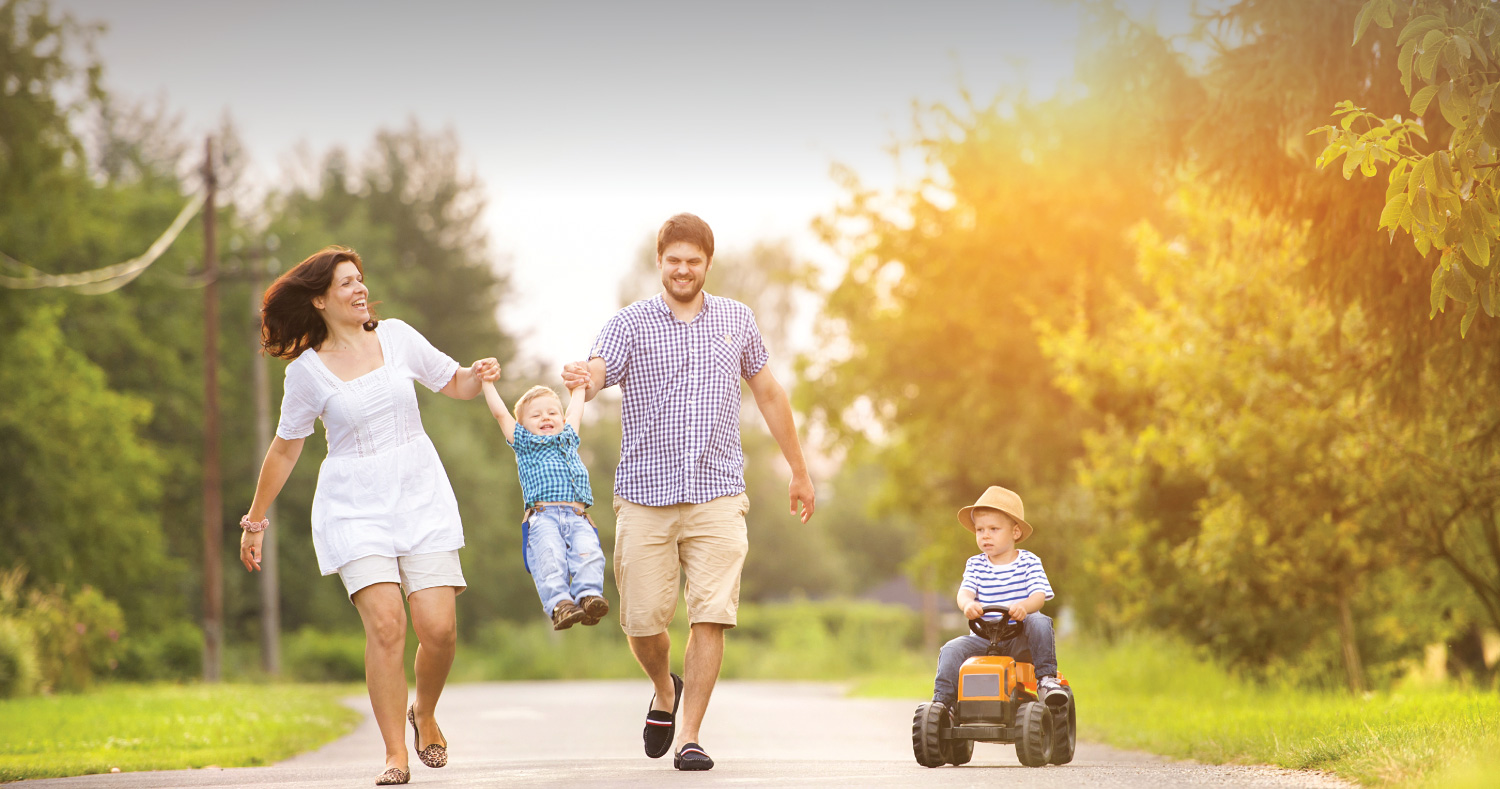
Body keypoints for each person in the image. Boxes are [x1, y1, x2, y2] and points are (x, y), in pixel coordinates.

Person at [562, 213, 815, 771]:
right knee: (644, 622)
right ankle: (664, 690)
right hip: (644, 497)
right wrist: (586, 377)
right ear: (660, 262)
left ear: (706, 264)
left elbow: (770, 393)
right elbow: (601, 371)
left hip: (718, 492)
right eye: (673, 260)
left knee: (711, 613)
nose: (682, 269)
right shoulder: (629, 323)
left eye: (692, 261)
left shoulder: (737, 320)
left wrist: (798, 469)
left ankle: (691, 736)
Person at [237, 245, 497, 787]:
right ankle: (395, 755)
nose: (360, 290)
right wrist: (255, 521)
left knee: (439, 629)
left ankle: (423, 712)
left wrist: (477, 372)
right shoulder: (306, 374)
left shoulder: (397, 337)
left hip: (420, 493)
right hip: (354, 506)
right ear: (320, 299)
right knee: (386, 626)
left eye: (361, 279)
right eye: (347, 283)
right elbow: (285, 449)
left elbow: (455, 384)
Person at [477, 371, 607, 630]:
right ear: (523, 425)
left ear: (562, 419)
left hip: (578, 517)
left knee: (589, 554)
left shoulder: (568, 438)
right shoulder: (525, 443)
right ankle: (561, 605)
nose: (546, 417)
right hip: (543, 517)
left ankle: (589, 597)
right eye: (536, 415)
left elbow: (576, 412)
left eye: (552, 413)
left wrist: (579, 388)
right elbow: (501, 414)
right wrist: (487, 383)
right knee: (549, 559)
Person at [931, 485, 1068, 712]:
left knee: (1040, 620)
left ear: (1015, 532)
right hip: (984, 639)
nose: (985, 535)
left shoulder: (1029, 561)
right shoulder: (975, 564)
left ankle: (1046, 680)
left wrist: (1024, 606)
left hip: (1021, 638)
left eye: (994, 529)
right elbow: (964, 592)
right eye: (980, 530)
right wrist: (968, 604)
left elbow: (1038, 596)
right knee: (951, 649)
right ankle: (943, 704)